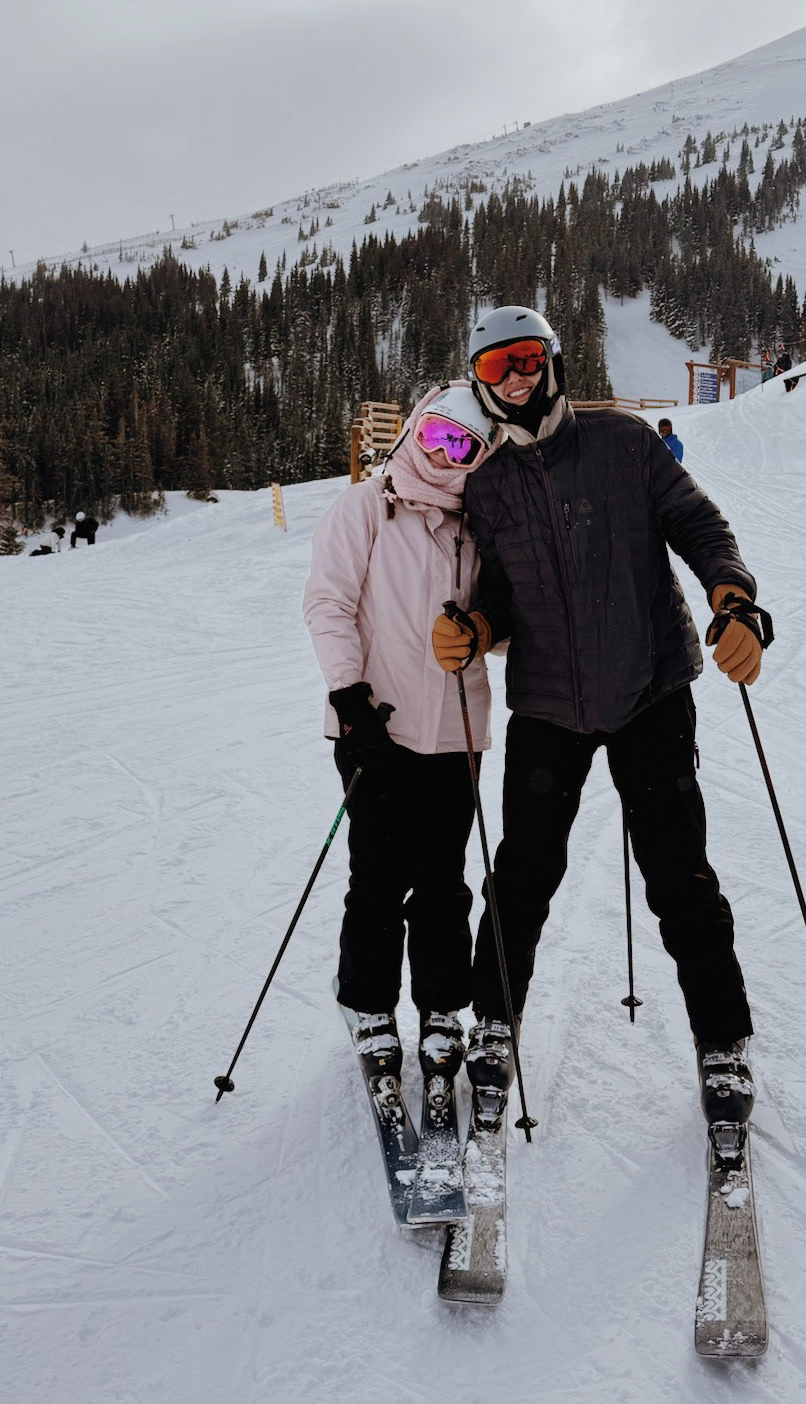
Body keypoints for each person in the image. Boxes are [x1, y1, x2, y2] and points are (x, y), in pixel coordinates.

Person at [430, 306, 767, 1123]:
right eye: (494, 366)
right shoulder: (488, 485)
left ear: (550, 360)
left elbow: (698, 524)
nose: (515, 375)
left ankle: (722, 1041)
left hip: (649, 687)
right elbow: (502, 597)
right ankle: (494, 1025)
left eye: (525, 356)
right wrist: (475, 626)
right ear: (479, 383)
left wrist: (734, 601)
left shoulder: (622, 443)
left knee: (679, 876)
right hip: (547, 702)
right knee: (521, 877)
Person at [303, 382, 499, 1092]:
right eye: (437, 434)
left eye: (463, 447)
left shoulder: (481, 524)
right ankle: (367, 1003)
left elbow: (504, 625)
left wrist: (483, 632)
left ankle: (442, 1007)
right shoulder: (364, 508)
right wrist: (349, 699)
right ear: (416, 425)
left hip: (454, 730)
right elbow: (328, 605)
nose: (445, 454)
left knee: (444, 883)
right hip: (373, 728)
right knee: (379, 875)